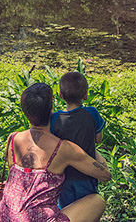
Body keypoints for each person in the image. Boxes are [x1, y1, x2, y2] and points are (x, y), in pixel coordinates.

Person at [0, 82, 111, 222]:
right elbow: (105, 175)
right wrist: (89, 147)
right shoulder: (63, 148)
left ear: (25, 111)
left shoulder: (13, 139)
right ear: (51, 109)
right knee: (97, 201)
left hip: (4, 217)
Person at [50, 71, 106, 209]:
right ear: (86, 95)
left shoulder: (55, 119)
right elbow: (98, 139)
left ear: (61, 96)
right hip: (87, 174)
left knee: (66, 211)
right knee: (89, 209)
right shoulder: (92, 113)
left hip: (64, 177)